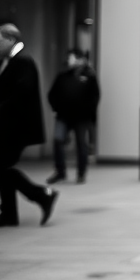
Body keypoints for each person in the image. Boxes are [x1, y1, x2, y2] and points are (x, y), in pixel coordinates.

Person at [0, 24, 58, 228]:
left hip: (16, 127)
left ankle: (41, 195)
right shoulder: (12, 61)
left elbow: (22, 92)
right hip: (9, 126)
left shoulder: (22, 61)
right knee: (1, 167)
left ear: (11, 40)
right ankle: (10, 213)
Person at [46, 48, 100, 184]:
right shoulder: (63, 76)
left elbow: (95, 97)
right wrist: (56, 109)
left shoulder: (89, 76)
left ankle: (81, 173)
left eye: (70, 57)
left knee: (82, 144)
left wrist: (89, 113)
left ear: (79, 59)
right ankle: (60, 171)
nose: (68, 60)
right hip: (63, 116)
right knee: (58, 141)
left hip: (82, 118)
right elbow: (52, 94)